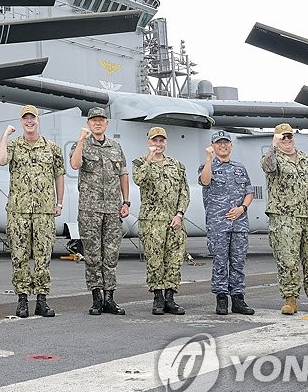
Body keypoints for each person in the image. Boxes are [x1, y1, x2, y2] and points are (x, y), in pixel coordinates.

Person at [0, 105, 64, 318]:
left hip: (44, 210)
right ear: (21, 121)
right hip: (19, 211)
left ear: (38, 119)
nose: (29, 121)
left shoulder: (52, 148)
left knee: (43, 255)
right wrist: (5, 135)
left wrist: (59, 203)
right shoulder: (15, 145)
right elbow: (0, 160)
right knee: (19, 255)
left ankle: (42, 300)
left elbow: (58, 176)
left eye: (32, 118)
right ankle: (23, 299)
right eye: (25, 118)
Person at [261, 122, 308, 315]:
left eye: (289, 136)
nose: (287, 140)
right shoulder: (271, 158)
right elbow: (268, 167)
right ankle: (290, 299)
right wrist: (273, 145)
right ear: (276, 140)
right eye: (282, 137)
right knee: (288, 261)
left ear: (294, 138)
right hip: (285, 219)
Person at [70, 107, 130, 316]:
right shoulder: (83, 144)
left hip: (113, 209)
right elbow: (75, 164)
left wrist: (126, 202)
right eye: (94, 120)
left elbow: (123, 174)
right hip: (90, 210)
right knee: (93, 256)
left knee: (111, 254)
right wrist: (80, 140)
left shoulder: (116, 147)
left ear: (107, 123)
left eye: (101, 120)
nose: (97, 123)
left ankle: (110, 299)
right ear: (88, 123)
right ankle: (96, 299)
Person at [133, 126, 189, 316]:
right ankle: (157, 297)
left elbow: (184, 192)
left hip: (174, 221)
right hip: (152, 221)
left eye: (161, 141)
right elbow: (139, 179)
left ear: (166, 143)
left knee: (174, 260)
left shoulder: (177, 165)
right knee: (155, 260)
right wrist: (149, 159)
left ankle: (170, 298)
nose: (158, 144)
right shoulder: (140, 162)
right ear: (148, 142)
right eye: (154, 141)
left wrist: (179, 214)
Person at [198, 130, 254, 316]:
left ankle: (238, 298)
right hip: (218, 224)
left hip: (239, 224)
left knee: (238, 262)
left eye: (226, 143)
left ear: (231, 145)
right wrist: (208, 159)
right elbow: (205, 182)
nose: (223, 145)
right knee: (220, 262)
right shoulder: (207, 166)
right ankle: (221, 298)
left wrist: (242, 209)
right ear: (213, 146)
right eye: (218, 143)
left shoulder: (240, 167)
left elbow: (249, 192)